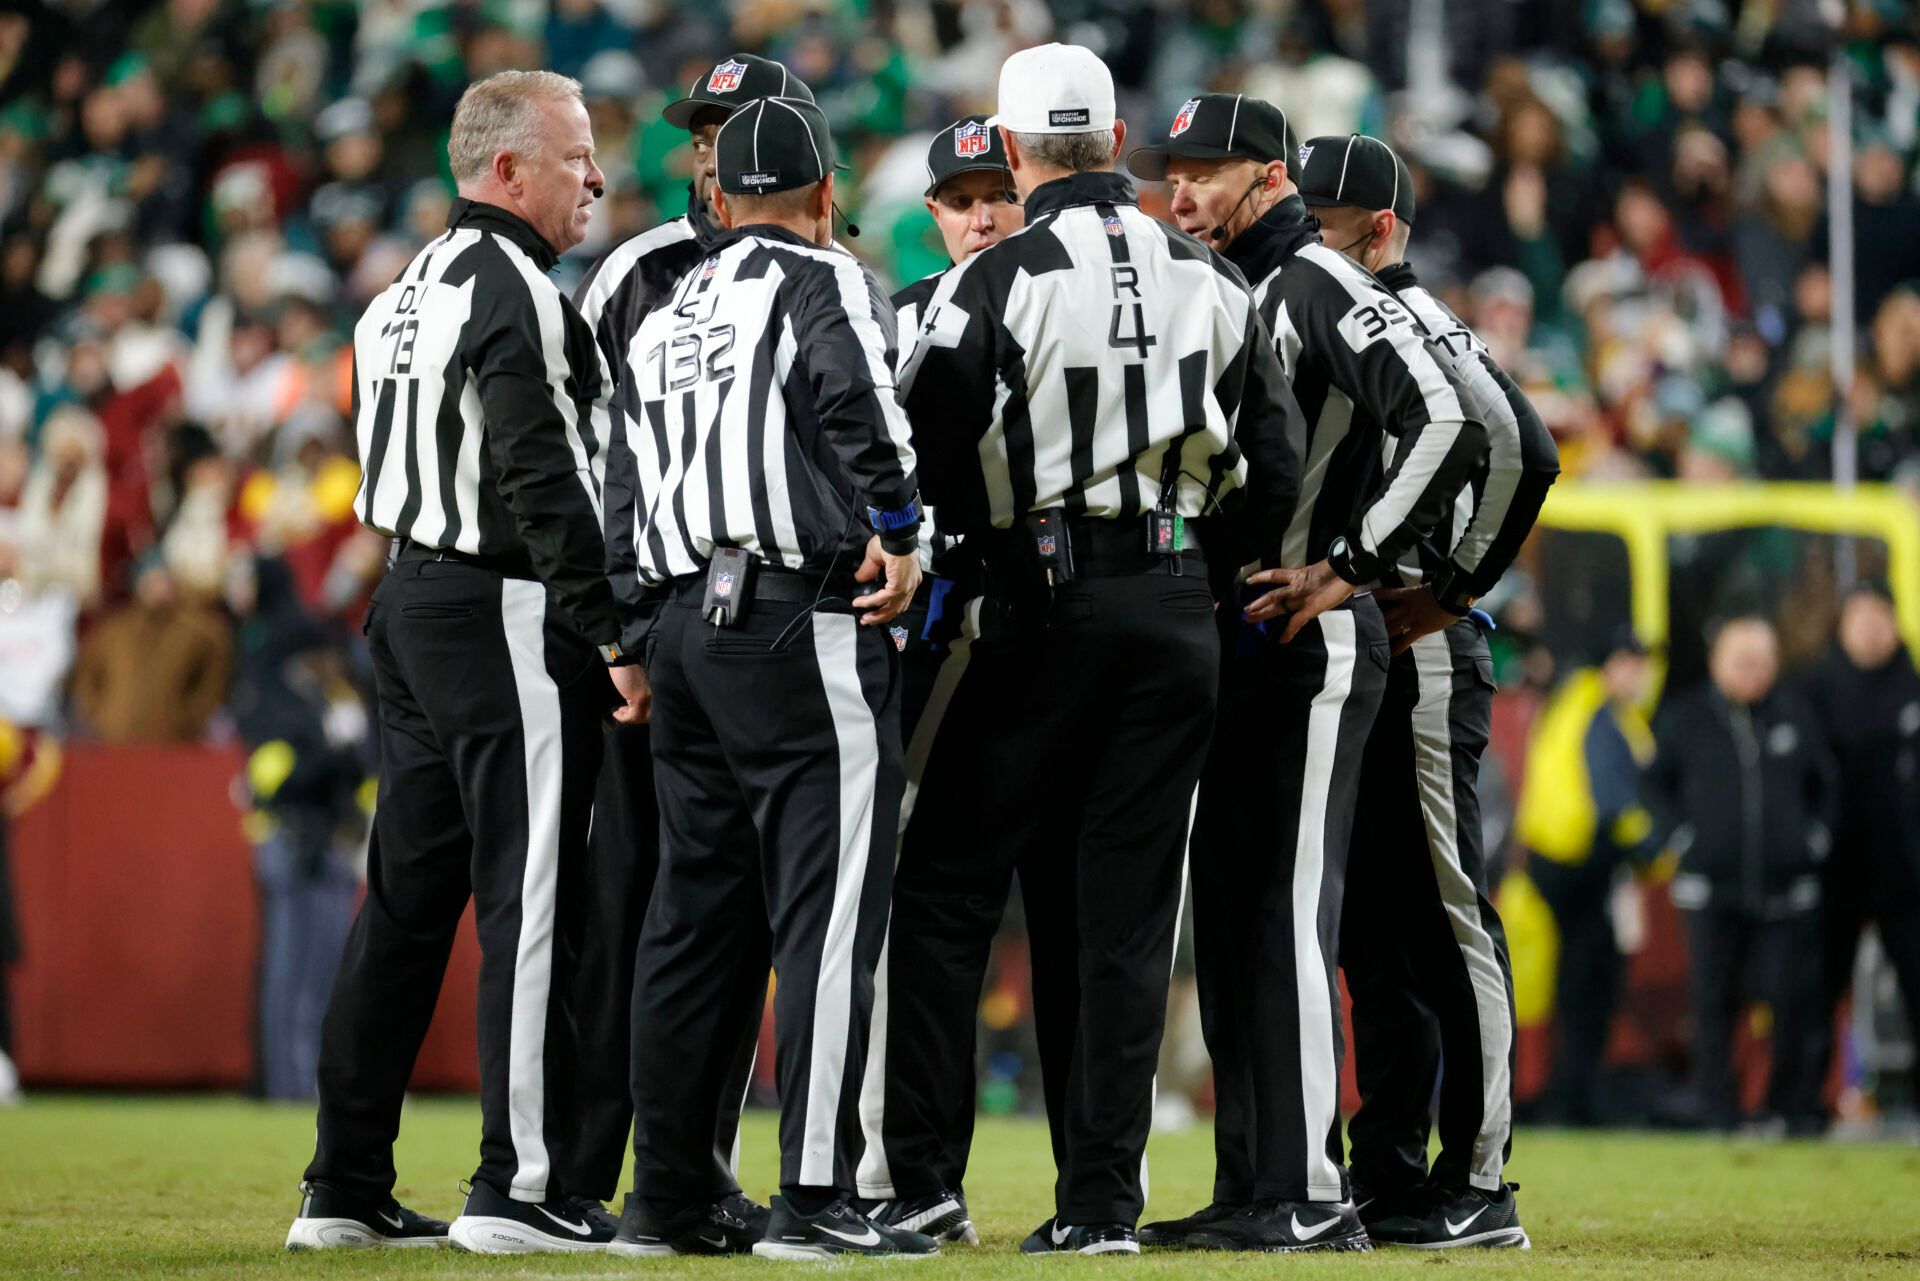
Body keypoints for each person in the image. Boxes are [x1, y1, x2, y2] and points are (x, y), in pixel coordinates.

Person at [898, 52, 1304, 1256]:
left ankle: (923, 1180)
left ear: (1013, 153)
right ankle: (1100, 1209)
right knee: (1123, 920)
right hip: (1179, 609)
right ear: (1120, 136)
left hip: (1037, 603)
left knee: (947, 894)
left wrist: (984, 550)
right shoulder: (1215, 277)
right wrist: (1192, 571)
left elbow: (925, 443)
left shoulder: (997, 275)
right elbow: (1273, 468)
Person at [1124, 97, 1487, 1253]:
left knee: (1288, 917)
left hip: (1314, 635)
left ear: (1269, 178)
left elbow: (1462, 423)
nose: (1180, 194)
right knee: (1241, 916)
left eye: (1206, 171)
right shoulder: (1245, 284)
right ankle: (1258, 1184)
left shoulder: (1314, 279)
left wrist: (1359, 564)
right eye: (1171, 172)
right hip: (1256, 638)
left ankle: (1308, 1193)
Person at [286, 69, 632, 1254]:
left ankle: (342, 1185)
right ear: (506, 171)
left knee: (405, 905)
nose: (595, 175)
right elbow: (540, 479)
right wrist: (610, 631)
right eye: (576, 152)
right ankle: (522, 1182)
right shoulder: (517, 290)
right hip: (500, 608)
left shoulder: (395, 295)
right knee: (531, 898)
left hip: (409, 599)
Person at [608, 95, 936, 1262]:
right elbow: (855, 399)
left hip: (686, 628)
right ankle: (815, 1195)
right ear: (824, 196)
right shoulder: (820, 274)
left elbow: (622, 483)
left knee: (692, 921)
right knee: (829, 911)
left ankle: (668, 1197)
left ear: (715, 194)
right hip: (798, 617)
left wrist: (637, 632)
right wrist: (898, 527)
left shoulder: (666, 306)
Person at [565, 52, 817, 1244]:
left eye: (734, 125)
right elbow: (585, 462)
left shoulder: (822, 273)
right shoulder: (635, 270)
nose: (711, 145)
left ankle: (690, 1175)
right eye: (701, 127)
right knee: (641, 905)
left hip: (752, 622)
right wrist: (614, 624)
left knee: (730, 912)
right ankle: (579, 1172)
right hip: (653, 622)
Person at [1296, 133, 1559, 1249]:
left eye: (1325, 217)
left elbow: (1523, 445)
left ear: (1380, 228)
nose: (1308, 235)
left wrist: (1454, 588)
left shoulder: (1407, 315)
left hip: (1424, 642)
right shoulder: (1373, 305)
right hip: (1388, 636)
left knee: (1448, 911)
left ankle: (1483, 1179)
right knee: (1383, 930)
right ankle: (1396, 1169)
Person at [851, 114, 1023, 1247]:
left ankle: (1104, 1188)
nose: (981, 216)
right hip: (941, 633)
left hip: (1051, 618)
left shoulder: (1065, 296)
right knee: (921, 906)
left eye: (996, 194)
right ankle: (901, 1168)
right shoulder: (898, 313)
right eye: (961, 200)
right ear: (933, 217)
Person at [1645, 615, 1838, 1133]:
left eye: (1761, 660)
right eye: (1741, 660)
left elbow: (1828, 786)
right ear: (1717, 662)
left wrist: (1813, 839)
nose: (1752, 671)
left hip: (1785, 892)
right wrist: (1682, 838)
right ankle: (1718, 1111)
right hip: (1709, 890)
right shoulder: (1687, 718)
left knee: (1788, 1001)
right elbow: (1653, 786)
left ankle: (1787, 1107)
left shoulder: (1796, 714)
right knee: (1712, 1004)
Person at [1517, 627, 1661, 1128]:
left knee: (1575, 983)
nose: (1642, 673)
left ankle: (1567, 1096)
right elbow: (1614, 804)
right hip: (1581, 866)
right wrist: (1657, 849)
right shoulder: (1601, 713)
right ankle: (1573, 1100)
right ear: (1611, 664)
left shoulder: (1573, 702)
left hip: (1555, 863)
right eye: (1633, 660)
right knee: (1587, 986)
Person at [1801, 585, 1920, 1107]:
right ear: (1842, 625)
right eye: (1859, 617)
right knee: (1818, 993)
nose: (1870, 627)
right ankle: (1804, 1105)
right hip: (1836, 872)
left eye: (1880, 616)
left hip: (1906, 872)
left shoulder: (1913, 686)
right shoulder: (1814, 690)